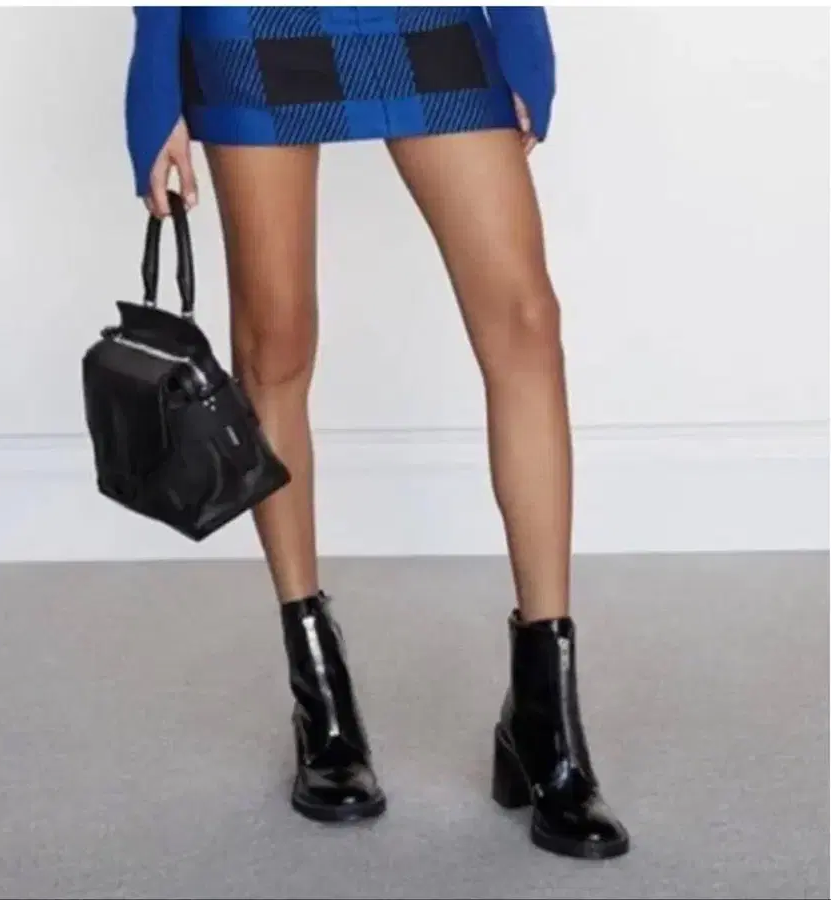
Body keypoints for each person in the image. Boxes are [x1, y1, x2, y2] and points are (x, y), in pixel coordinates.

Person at [125, 6, 629, 860]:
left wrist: (519, 29)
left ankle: (545, 723)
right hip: (248, 26)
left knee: (525, 323)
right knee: (275, 345)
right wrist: (155, 66)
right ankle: (321, 708)